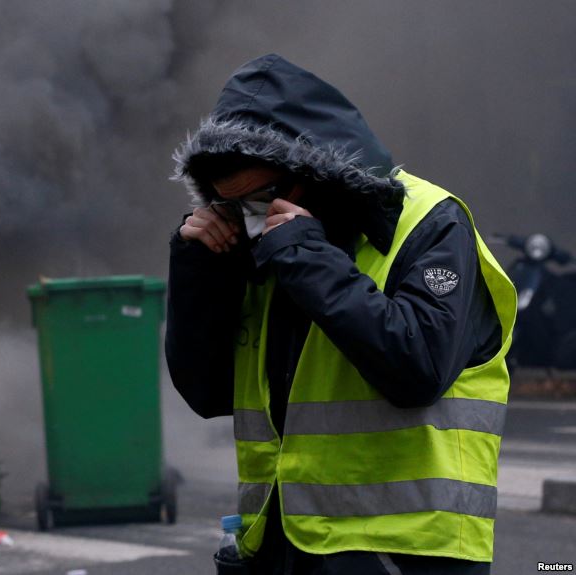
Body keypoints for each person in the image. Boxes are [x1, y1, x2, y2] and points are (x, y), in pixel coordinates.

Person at [166, 54, 516, 575]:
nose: (252, 217)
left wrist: (310, 259)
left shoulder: (428, 222)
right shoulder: (263, 244)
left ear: (312, 169)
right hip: (283, 548)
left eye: (263, 197)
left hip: (408, 553)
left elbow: (417, 369)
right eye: (233, 205)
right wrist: (199, 269)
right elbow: (209, 392)